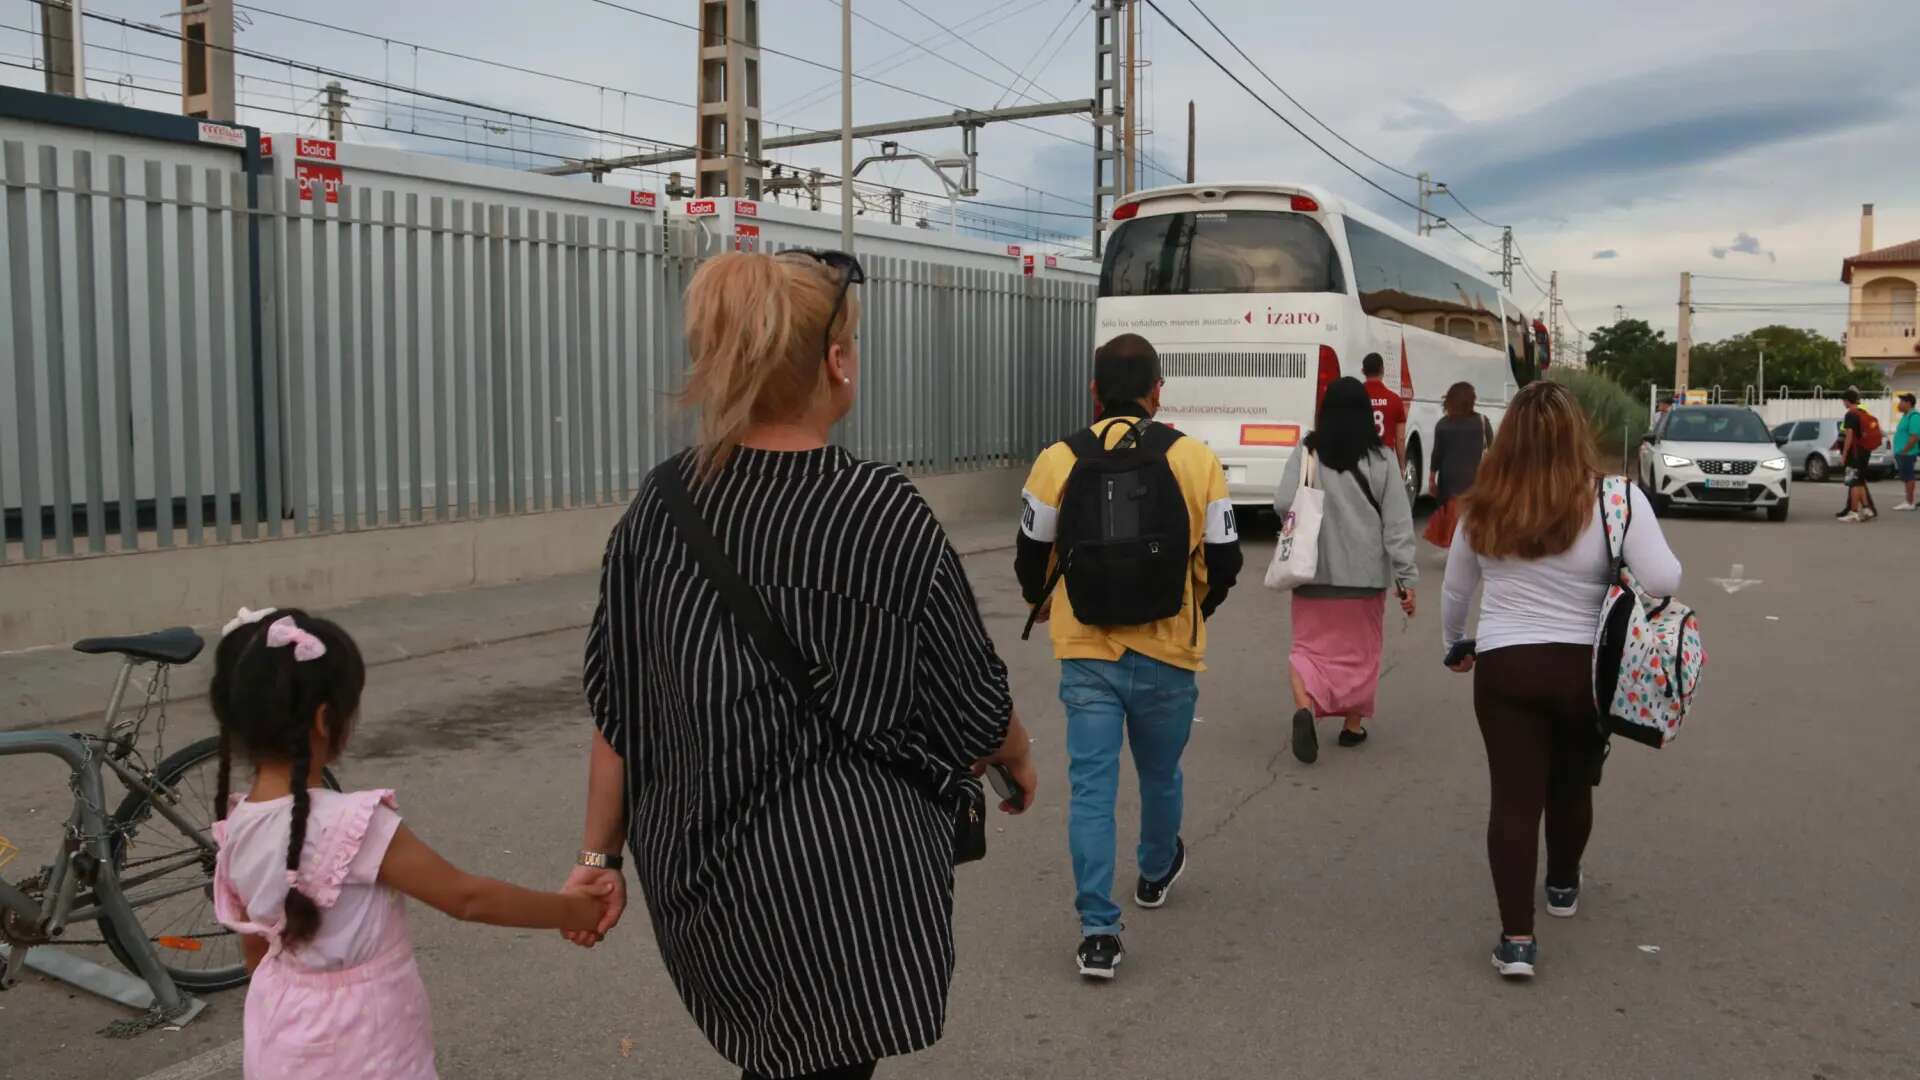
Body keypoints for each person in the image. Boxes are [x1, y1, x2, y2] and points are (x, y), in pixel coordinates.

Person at [571, 251, 1037, 1080]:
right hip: (847, 882)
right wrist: (1017, 753)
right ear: (835, 362)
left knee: (781, 1062)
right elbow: (969, 698)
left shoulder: (662, 507)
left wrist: (599, 859)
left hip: (703, 879)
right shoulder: (881, 509)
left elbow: (621, 708)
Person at [209, 607, 612, 1079]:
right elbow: (465, 897)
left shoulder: (237, 824)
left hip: (282, 1032)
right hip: (365, 1039)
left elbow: (256, 948)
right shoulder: (352, 824)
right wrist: (577, 911)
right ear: (325, 720)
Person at [1016, 332, 1242, 981]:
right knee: (1160, 773)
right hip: (1170, 650)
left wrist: (1043, 600)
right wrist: (1195, 604)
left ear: (1094, 392)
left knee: (1091, 789)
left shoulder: (1057, 459)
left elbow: (1032, 552)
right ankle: (1152, 871)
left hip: (1085, 649)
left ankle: (1097, 931)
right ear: (1156, 392)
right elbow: (1225, 560)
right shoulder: (1196, 459)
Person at [1440, 382, 1682, 980]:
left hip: (1505, 665)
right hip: (1587, 672)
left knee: (1514, 800)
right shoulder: (1616, 498)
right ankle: (1564, 884)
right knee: (1573, 786)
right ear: (1577, 433)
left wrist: (1454, 645)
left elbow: (1455, 590)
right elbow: (1665, 578)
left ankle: (1517, 940)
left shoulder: (1483, 504)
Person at [1274, 376, 1418, 762]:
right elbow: (1398, 525)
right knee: (1360, 654)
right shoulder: (1383, 459)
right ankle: (1352, 727)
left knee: (1308, 649)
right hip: (1364, 579)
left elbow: (1283, 502)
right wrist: (1406, 579)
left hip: (1312, 574)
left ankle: (1305, 705)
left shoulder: (1307, 453)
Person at [1424, 381, 1493, 547]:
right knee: (1472, 517)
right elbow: (1492, 451)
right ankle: (1470, 547)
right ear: (1471, 400)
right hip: (1475, 480)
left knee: (1452, 517)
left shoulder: (1443, 425)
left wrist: (1432, 478)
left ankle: (1455, 547)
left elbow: (1437, 454)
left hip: (1449, 480)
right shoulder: (1482, 422)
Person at [1839, 388, 1880, 523]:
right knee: (1861, 480)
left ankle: (1853, 512)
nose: (1843, 403)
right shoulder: (1863, 412)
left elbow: (1849, 436)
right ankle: (1867, 509)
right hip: (1865, 452)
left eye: (1844, 401)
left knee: (1854, 482)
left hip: (1855, 452)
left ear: (1846, 401)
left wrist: (1844, 454)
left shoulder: (1850, 415)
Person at [1361, 352, 1409, 465]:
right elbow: (1400, 439)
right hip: (1386, 461)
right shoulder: (1395, 400)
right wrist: (1402, 465)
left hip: (1362, 461)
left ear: (1363, 371)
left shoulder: (1354, 397)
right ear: (1382, 370)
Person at [1892, 392, 1919, 511]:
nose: (1899, 404)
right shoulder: (1905, 416)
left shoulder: (1914, 416)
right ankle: (1908, 500)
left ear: (1908, 403)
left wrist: (1904, 450)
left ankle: (1910, 502)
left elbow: (1914, 436)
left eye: (1901, 402)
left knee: (1909, 477)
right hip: (1902, 453)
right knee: (1906, 477)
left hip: (1908, 453)